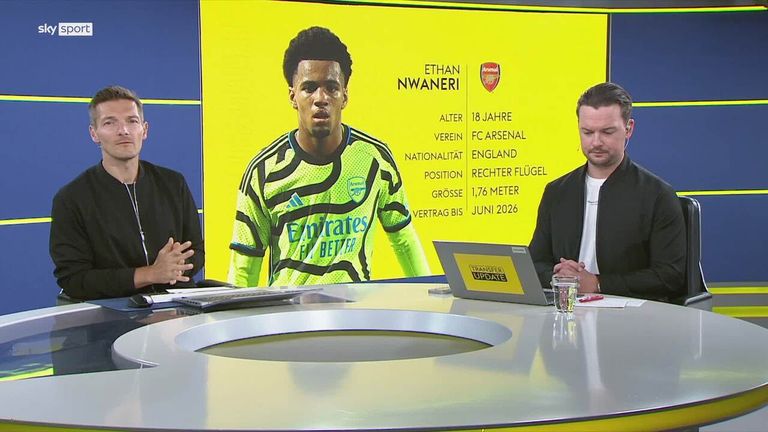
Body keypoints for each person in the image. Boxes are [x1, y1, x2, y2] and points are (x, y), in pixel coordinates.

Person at [228, 26, 429, 287]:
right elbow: (243, 270)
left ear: (344, 96)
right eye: (309, 88)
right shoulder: (263, 173)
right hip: (290, 311)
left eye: (331, 88)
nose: (320, 98)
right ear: (293, 96)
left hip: (355, 309)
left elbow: (403, 240)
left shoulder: (375, 159)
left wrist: (430, 294)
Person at [529, 82, 685, 301]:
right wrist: (560, 277)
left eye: (607, 132)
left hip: (633, 313)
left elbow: (670, 276)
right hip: (564, 309)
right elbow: (535, 263)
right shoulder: (556, 192)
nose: (596, 142)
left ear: (628, 128)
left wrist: (598, 283)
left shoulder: (658, 195)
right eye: (587, 132)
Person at [49, 85, 204, 300]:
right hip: (109, 311)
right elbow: (74, 280)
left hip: (175, 304)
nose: (123, 130)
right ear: (94, 133)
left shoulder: (173, 183)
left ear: (144, 129)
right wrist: (149, 274)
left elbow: (196, 250)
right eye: (110, 122)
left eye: (132, 121)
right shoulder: (71, 199)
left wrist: (172, 269)